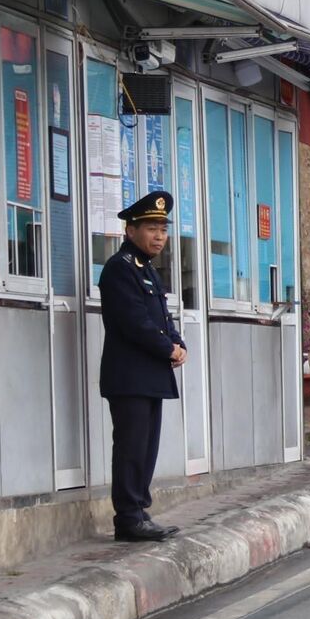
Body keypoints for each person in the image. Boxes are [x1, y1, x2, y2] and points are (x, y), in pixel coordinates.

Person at [99, 190, 186, 543]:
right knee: (132, 448)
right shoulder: (119, 270)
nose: (159, 236)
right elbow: (135, 323)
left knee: (146, 448)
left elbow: (162, 317)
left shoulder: (147, 269)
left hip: (149, 375)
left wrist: (179, 344)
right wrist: (168, 349)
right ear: (130, 230)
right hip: (130, 376)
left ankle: (138, 511)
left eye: (163, 229)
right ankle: (128, 517)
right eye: (151, 228)